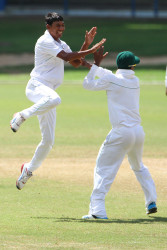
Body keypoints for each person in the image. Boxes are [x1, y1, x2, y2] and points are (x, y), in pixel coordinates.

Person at [10, 12, 106, 190]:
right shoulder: (44, 40)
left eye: (62, 26)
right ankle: (21, 115)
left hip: (47, 95)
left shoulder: (61, 44)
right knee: (55, 99)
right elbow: (68, 57)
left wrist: (86, 45)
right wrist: (91, 50)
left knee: (48, 141)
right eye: (57, 26)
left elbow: (76, 62)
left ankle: (28, 170)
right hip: (37, 87)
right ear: (48, 27)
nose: (61, 29)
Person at [81, 48, 157, 219]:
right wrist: (91, 65)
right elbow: (111, 76)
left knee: (103, 169)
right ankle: (151, 200)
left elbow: (88, 84)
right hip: (138, 133)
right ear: (132, 67)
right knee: (139, 167)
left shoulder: (111, 80)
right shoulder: (135, 80)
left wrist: (95, 65)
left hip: (122, 133)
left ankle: (97, 211)